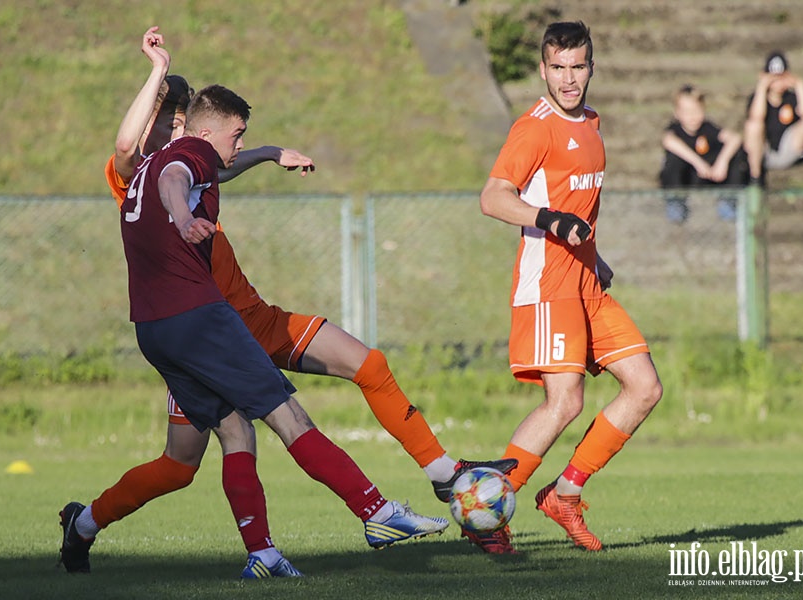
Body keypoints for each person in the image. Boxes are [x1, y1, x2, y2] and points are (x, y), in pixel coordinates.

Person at [86, 27, 516, 572]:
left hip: (248, 320)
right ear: (159, 122)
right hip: (204, 332)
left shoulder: (194, 164)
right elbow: (139, 155)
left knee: (367, 365)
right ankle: (90, 522)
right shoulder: (135, 176)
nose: (175, 128)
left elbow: (210, 166)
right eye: (165, 118)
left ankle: (440, 475)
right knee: (191, 460)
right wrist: (156, 76)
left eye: (178, 118)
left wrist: (267, 153)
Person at [475, 21, 663, 555]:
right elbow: (493, 197)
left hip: (586, 285)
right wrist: (551, 220)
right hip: (548, 282)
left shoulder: (592, 124)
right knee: (565, 401)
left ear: (591, 67)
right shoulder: (534, 128)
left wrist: (595, 257)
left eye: (577, 66)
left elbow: (577, 204)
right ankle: (487, 510)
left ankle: (565, 493)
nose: (568, 78)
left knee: (644, 387)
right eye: (557, 67)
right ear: (543, 69)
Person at [659, 84, 750, 223]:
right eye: (687, 111)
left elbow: (735, 138)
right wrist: (698, 163)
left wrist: (722, 162)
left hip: (711, 176)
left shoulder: (708, 128)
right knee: (673, 159)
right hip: (688, 178)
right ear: (677, 113)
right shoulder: (675, 130)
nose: (692, 116)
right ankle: (676, 205)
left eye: (696, 111)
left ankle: (728, 203)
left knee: (737, 154)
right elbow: (668, 141)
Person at [743, 51, 803, 190]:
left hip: (790, 149)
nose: (778, 82)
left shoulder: (794, 98)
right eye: (773, 78)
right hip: (764, 151)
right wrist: (762, 87)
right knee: (753, 126)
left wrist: (800, 85)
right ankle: (755, 179)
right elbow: (755, 117)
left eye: (781, 77)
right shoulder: (756, 98)